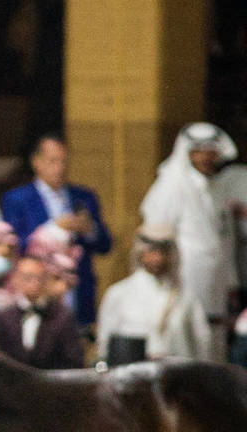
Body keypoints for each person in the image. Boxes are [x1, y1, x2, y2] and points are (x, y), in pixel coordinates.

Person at [139, 123, 247, 358]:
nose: (206, 157)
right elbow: (156, 234)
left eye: (211, 151)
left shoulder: (217, 187)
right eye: (198, 151)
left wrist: (231, 282)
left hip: (216, 285)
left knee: (214, 346)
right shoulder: (172, 185)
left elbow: (224, 239)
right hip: (184, 279)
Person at [0, 135, 112, 326]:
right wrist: (53, 229)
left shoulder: (83, 196)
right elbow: (12, 246)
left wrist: (89, 229)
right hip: (37, 285)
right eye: (53, 161)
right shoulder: (17, 199)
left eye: (63, 162)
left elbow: (106, 245)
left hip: (77, 288)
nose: (59, 168)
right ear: (36, 162)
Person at [96, 224, 211, 365]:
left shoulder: (186, 297)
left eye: (164, 252)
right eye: (152, 252)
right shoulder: (119, 294)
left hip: (178, 377)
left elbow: (202, 342)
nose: (158, 259)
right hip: (134, 377)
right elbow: (105, 344)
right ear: (140, 253)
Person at [0, 252, 84, 370]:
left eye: (39, 277)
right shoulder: (3, 317)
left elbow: (74, 361)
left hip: (53, 385)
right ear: (15, 279)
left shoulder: (63, 317)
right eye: (27, 277)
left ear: (47, 279)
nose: (34, 282)